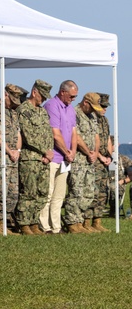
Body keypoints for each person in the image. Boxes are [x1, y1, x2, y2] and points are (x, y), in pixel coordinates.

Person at [15, 80, 54, 235]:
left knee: (42, 192)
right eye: (42, 95)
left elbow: (48, 134)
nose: (43, 99)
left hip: (44, 158)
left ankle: (34, 221)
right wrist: (45, 151)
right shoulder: (23, 110)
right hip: (30, 158)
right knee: (28, 192)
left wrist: (49, 153)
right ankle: (24, 223)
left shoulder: (42, 111)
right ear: (34, 92)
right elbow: (28, 135)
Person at [40, 80, 79, 234]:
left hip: (65, 159)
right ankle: (45, 226)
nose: (73, 99)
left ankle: (56, 226)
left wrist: (73, 152)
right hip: (54, 157)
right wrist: (66, 152)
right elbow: (55, 134)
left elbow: (74, 132)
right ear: (63, 92)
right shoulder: (52, 106)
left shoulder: (71, 109)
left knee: (59, 195)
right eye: (71, 96)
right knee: (48, 193)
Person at [0, 84, 24, 234]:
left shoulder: (13, 113)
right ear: (6, 95)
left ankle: (5, 223)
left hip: (13, 159)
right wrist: (9, 151)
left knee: (13, 194)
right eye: (12, 100)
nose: (14, 104)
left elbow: (18, 135)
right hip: (0, 158)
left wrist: (18, 150)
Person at [62, 92, 102, 234]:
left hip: (90, 161)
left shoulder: (92, 116)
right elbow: (75, 136)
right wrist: (88, 152)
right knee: (76, 191)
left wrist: (95, 153)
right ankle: (73, 222)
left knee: (89, 192)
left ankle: (81, 220)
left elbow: (96, 136)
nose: (93, 110)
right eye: (91, 107)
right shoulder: (74, 113)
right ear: (85, 102)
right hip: (79, 159)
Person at [92, 93, 114, 231]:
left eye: (106, 107)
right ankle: (88, 221)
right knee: (93, 192)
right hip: (96, 161)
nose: (104, 109)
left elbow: (108, 140)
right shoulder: (91, 120)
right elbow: (92, 142)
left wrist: (110, 157)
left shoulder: (105, 120)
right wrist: (100, 156)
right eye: (102, 106)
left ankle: (97, 221)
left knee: (102, 193)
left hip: (105, 161)